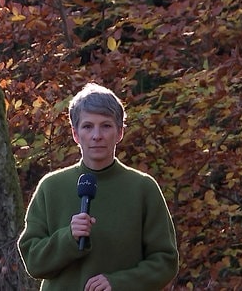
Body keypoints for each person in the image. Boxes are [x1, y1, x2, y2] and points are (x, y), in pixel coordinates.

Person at [17, 83, 179, 291]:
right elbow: (33, 261)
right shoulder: (51, 187)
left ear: (119, 132)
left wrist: (120, 283)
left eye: (106, 126)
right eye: (87, 126)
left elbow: (165, 261)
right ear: (76, 135)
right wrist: (69, 237)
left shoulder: (143, 188)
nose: (97, 135)